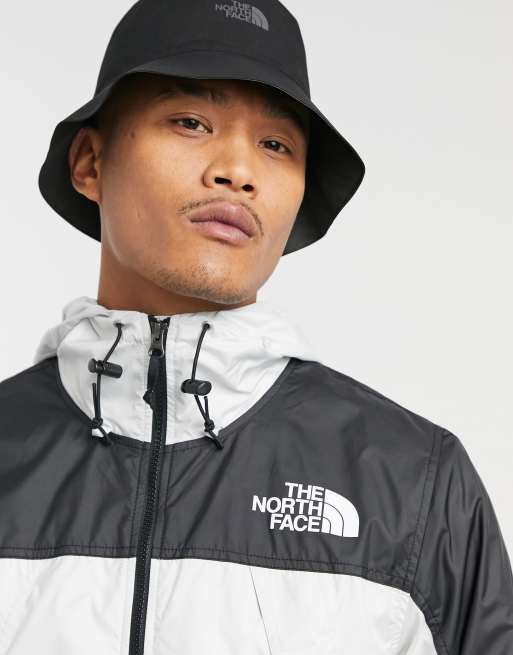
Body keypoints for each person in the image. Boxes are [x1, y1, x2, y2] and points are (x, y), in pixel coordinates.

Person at [1, 0, 512, 653]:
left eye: (275, 145)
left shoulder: (414, 482)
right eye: (190, 122)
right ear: (90, 163)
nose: (238, 172)